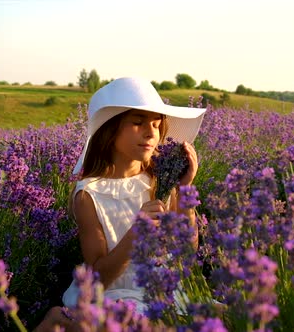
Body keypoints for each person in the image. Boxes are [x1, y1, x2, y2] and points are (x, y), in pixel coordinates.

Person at [34, 77, 205, 331]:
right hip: (115, 297)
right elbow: (99, 278)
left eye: (157, 125)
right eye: (137, 122)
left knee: (228, 316)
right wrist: (136, 232)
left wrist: (185, 188)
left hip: (163, 291)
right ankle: (60, 321)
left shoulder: (163, 181)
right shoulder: (89, 195)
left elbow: (187, 252)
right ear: (110, 130)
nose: (150, 132)